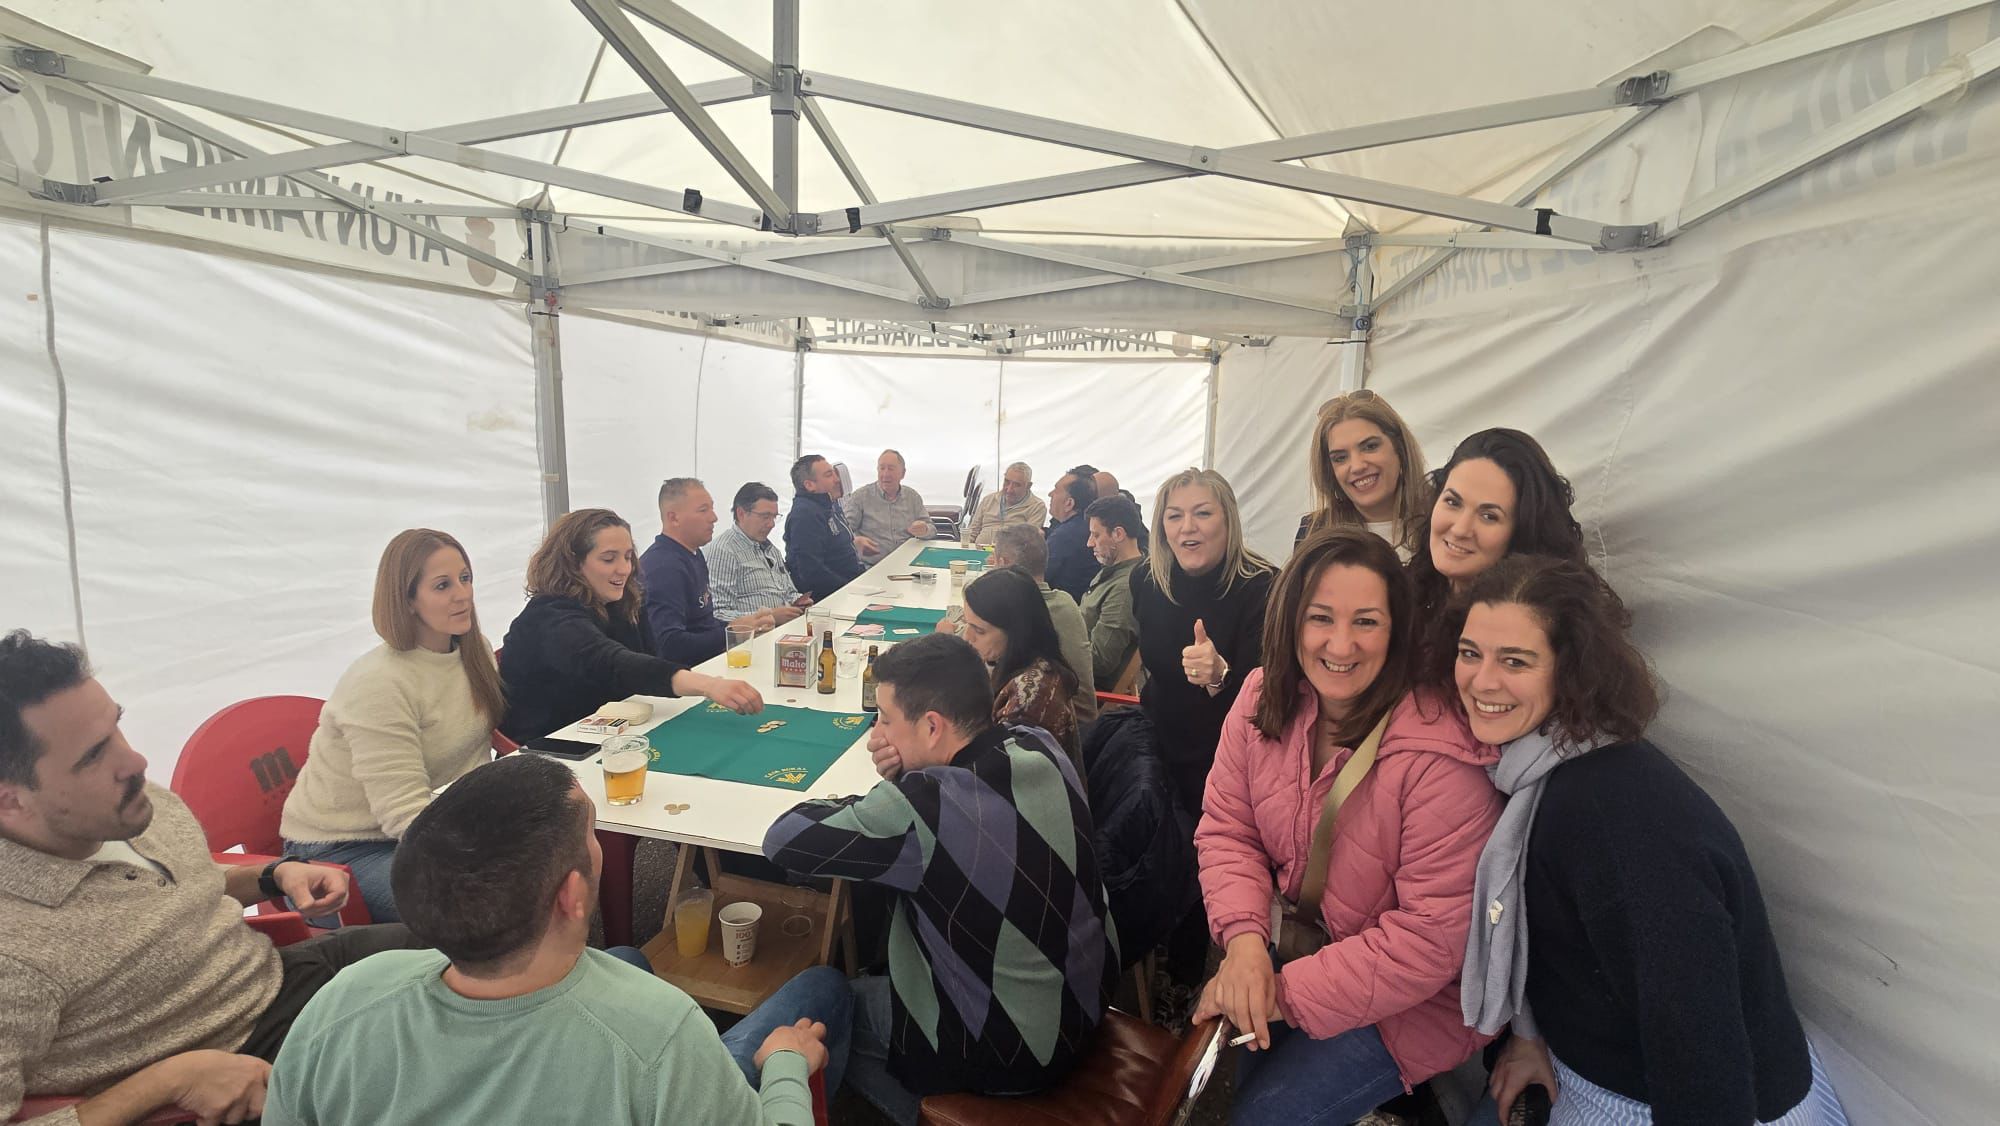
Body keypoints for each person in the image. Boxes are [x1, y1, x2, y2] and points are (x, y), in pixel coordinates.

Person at [1445, 557, 1848, 1126]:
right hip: (1598, 1071)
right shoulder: (1545, 768)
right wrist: (1532, 1037)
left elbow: (1698, 1036)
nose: (1482, 681)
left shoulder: (1614, 811)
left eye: (1515, 661)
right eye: (1470, 653)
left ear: (1572, 670)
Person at [263, 752, 849, 1126]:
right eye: (592, 830)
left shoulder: (344, 1001)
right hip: (665, 1071)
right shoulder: (664, 1032)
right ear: (571, 894)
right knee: (822, 988)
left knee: (626, 959)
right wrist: (785, 1068)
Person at [0, 631, 421, 1126]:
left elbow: (166, 885)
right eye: (93, 755)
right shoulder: (14, 953)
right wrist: (168, 1082)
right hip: (231, 1072)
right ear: (10, 801)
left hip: (281, 976)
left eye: (117, 726)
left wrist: (273, 875)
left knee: (487, 945)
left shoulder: (125, 806)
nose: (135, 761)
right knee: (463, 1067)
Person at [1191, 530, 1502, 1125]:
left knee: (1261, 1119)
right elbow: (1229, 829)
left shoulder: (1440, 754)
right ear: (1290, 620)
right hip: (1295, 948)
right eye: (1320, 618)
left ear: (1397, 629)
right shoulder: (1261, 697)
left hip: (1411, 1002)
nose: (1341, 644)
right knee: (1237, 1085)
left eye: (1366, 622)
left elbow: (1429, 941)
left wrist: (1277, 994)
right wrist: (1246, 944)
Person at [762, 634, 1116, 1125]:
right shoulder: (1039, 744)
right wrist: (904, 778)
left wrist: (890, 793)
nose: (875, 734)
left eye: (884, 718)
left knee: (825, 1012)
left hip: (1013, 1055)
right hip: (1085, 1006)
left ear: (932, 726)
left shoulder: (924, 806)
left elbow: (784, 839)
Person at [279, 529, 507, 924]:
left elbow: (475, 762)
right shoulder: (380, 682)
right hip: (341, 850)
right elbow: (404, 813)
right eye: (443, 585)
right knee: (485, 900)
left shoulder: (475, 651)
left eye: (465, 578)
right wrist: (485, 851)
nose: (463, 594)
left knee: (552, 852)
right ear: (407, 600)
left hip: (429, 823)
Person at [1131, 468, 1279, 1003]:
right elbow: (1152, 666)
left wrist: (1220, 675)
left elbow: (1272, 694)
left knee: (1203, 859)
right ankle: (1150, 948)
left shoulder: (1263, 585)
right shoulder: (1147, 580)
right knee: (1155, 848)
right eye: (1174, 516)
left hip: (1226, 750)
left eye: (1202, 513)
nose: (1187, 528)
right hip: (1160, 737)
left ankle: (1186, 976)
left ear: (1228, 520)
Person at [499, 508, 761, 745]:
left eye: (627, 557)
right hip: (550, 749)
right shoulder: (548, 616)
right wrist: (709, 685)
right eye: (608, 559)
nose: (624, 569)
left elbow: (649, 660)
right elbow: (615, 663)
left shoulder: (622, 601)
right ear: (573, 564)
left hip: (619, 733)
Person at [1407, 429, 1601, 650]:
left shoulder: (1545, 626)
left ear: (1522, 530)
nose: (1460, 529)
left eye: (1489, 516)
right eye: (1453, 502)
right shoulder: (1406, 592)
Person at [939, 565, 1087, 765]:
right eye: (967, 624)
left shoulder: (1030, 699)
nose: (967, 637)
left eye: (979, 631)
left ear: (1016, 633)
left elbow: (995, 773)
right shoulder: (1023, 663)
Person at [640, 478, 775, 666]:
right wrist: (731, 632)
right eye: (703, 510)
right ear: (674, 518)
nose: (714, 517)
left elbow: (703, 623)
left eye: (712, 508)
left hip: (709, 663)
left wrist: (745, 625)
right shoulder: (663, 567)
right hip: (688, 674)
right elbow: (670, 645)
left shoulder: (694, 554)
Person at [1296, 390, 1429, 560]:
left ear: (1400, 448)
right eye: (1340, 458)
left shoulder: (1439, 522)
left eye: (1370, 447)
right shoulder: (1313, 532)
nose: (1357, 466)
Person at [988, 524, 1096, 722]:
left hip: (1052, 722)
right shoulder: (1066, 601)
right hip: (1082, 715)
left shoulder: (1013, 610)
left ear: (1003, 563)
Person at [705, 482, 814, 624]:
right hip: (755, 633)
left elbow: (788, 592)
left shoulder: (771, 549)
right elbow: (719, 613)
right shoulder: (723, 551)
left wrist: (798, 601)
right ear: (741, 513)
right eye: (765, 517)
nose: (772, 524)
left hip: (785, 626)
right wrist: (769, 616)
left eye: (774, 517)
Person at [1080, 495, 1145, 691]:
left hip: (1084, 689)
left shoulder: (1124, 588)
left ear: (1118, 534)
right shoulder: (1116, 569)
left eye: (1096, 535)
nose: (1089, 543)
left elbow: (1100, 661)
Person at [784, 454, 866, 601]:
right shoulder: (805, 515)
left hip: (851, 585)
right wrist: (849, 588)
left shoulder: (829, 504)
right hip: (832, 598)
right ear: (810, 485)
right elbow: (812, 571)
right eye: (829, 475)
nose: (837, 479)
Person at [843, 449, 934, 561]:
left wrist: (924, 530)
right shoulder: (860, 497)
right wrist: (855, 540)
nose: (885, 474)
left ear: (903, 473)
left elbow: (932, 529)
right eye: (882, 468)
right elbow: (843, 533)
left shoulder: (912, 497)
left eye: (891, 469)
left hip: (908, 562)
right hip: (873, 565)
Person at [1043, 467, 1100, 602]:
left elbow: (1038, 575)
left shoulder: (1065, 536)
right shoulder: (1088, 525)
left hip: (1062, 605)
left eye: (1056, 490)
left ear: (1069, 503)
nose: (1050, 494)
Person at [964, 461, 1046, 544]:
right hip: (978, 550)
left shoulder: (1037, 507)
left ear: (1028, 486)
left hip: (1011, 551)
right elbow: (972, 532)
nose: (1009, 489)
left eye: (1016, 485)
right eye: (1007, 482)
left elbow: (1028, 542)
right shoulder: (989, 500)